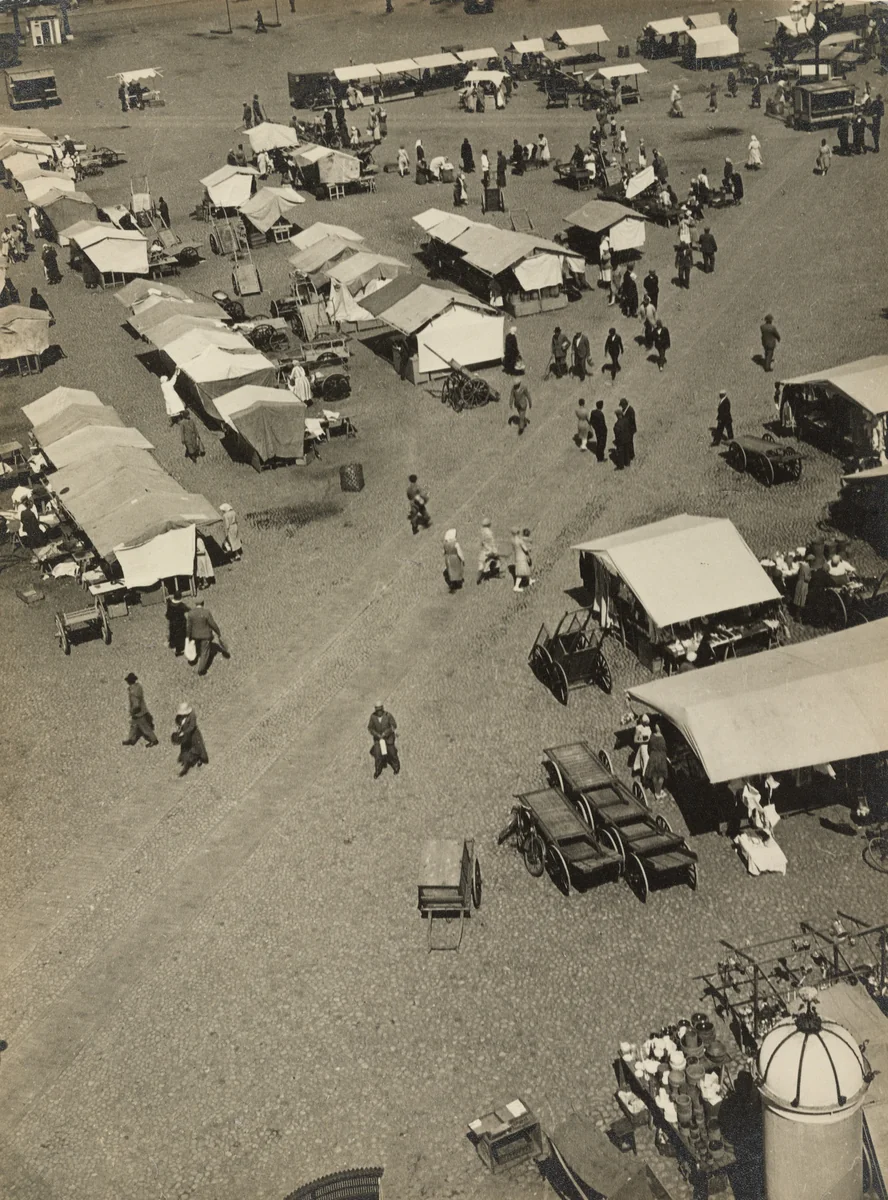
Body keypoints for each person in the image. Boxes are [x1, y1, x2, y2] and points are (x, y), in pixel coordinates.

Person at [185, 600, 228, 676]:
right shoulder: (206, 612)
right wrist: (218, 632)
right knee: (205, 652)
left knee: (196, 648)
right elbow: (212, 624)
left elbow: (189, 626)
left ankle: (193, 659)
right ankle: (201, 670)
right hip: (205, 636)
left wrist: (188, 636)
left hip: (195, 636)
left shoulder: (191, 613)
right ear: (203, 603)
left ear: (195, 603)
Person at [171, 703, 209, 777]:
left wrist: (184, 732)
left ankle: (199, 759)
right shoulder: (180, 717)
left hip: (193, 735)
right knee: (186, 747)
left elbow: (192, 726)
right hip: (185, 735)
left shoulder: (192, 716)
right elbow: (178, 722)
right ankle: (186, 759)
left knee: (197, 747)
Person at [122, 672, 159, 747]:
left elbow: (136, 704)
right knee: (133, 726)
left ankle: (154, 740)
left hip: (138, 713)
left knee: (145, 728)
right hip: (142, 710)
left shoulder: (133, 692)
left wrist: (132, 711)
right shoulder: (138, 686)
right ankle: (130, 739)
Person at [368, 702, 399, 778]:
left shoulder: (388, 716)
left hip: (389, 738)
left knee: (392, 753)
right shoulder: (373, 717)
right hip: (378, 740)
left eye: (380, 710)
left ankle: (396, 767)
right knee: (378, 755)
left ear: (382, 709)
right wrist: (376, 734)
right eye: (377, 710)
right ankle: (378, 770)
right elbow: (370, 728)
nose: (379, 712)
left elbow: (394, 725)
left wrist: (386, 733)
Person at [644, 722, 669, 800]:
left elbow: (649, 748)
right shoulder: (663, 739)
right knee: (661, 776)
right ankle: (658, 792)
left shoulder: (652, 736)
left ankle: (656, 791)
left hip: (653, 756)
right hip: (661, 757)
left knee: (654, 774)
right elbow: (665, 749)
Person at [477, 519, 501, 584]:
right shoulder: (489, 532)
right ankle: (493, 573)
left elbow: (482, 542)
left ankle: (481, 577)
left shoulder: (481, 531)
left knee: (484, 562)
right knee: (497, 561)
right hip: (490, 549)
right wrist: (494, 550)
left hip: (484, 550)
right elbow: (492, 542)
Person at [512, 527, 535, 592]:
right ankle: (516, 586)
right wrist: (529, 549)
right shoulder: (520, 541)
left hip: (518, 557)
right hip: (521, 558)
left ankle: (530, 580)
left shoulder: (516, 540)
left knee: (526, 569)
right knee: (521, 573)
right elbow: (525, 549)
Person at [166, 591, 188, 656]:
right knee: (180, 636)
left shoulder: (170, 604)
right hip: (180, 623)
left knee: (173, 634)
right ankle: (178, 650)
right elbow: (188, 609)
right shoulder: (181, 605)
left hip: (172, 622)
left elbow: (168, 614)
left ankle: (172, 644)